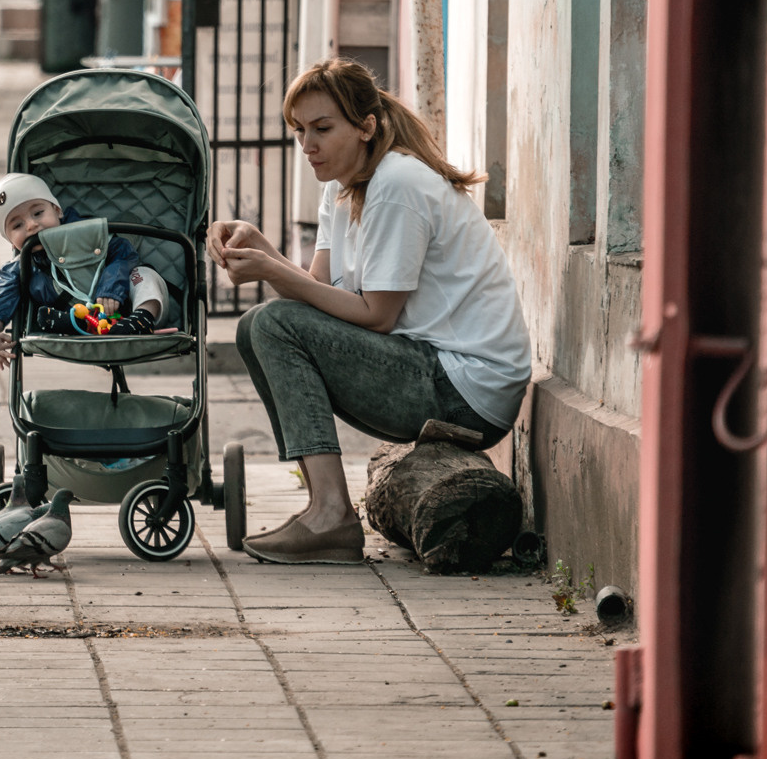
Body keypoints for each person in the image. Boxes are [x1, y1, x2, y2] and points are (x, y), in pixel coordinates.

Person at [207, 57, 531, 564]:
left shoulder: (398, 184)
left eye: (322, 128)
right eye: (299, 130)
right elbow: (316, 290)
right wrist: (263, 249)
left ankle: (331, 516)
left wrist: (271, 271)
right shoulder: (341, 187)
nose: (307, 145)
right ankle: (325, 510)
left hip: (468, 390)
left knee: (270, 324)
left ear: (366, 127)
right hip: (430, 368)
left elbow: (376, 315)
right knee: (257, 328)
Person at [0, 172, 171, 368]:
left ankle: (143, 317)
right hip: (77, 319)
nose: (31, 225)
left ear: (57, 211)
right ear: (10, 241)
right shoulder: (22, 266)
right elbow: (1, 297)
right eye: (17, 225)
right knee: (45, 313)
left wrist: (110, 289)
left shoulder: (87, 232)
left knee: (143, 275)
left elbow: (124, 253)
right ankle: (73, 323)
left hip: (125, 312)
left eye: (38, 213)